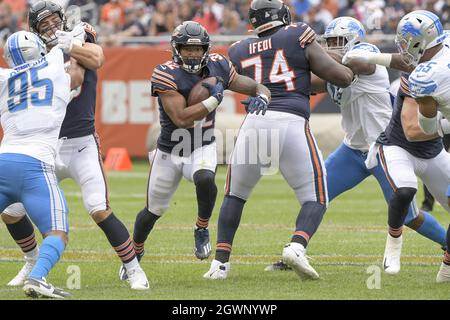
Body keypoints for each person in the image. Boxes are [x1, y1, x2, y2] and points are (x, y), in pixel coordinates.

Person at [265, 16, 448, 272]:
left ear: (354, 40)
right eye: (327, 42)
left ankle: (447, 244)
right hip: (352, 150)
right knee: (316, 196)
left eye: (337, 41)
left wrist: (313, 54)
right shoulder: (334, 67)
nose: (331, 47)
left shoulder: (365, 55)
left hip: (384, 148)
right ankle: (295, 249)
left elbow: (358, 63)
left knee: (408, 216)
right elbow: (307, 83)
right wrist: (267, 89)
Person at [1, 0, 149, 290]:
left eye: (55, 21)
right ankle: (32, 260)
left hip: (80, 140)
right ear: (35, 32)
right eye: (44, 26)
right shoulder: (38, 55)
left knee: (98, 208)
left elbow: (96, 59)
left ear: (64, 19)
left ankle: (133, 268)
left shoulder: (78, 35)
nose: (52, 28)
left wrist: (69, 45)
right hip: (45, 149)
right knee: (12, 211)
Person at [203, 0, 354, 281]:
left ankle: (219, 265)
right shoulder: (296, 33)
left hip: (255, 122)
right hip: (291, 122)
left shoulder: (238, 49)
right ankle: (297, 245)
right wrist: (351, 68)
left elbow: (277, 78)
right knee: (317, 197)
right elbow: (339, 77)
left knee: (235, 195)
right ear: (282, 14)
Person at [121, 20, 271, 280]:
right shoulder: (164, 73)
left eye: (198, 49)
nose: (193, 54)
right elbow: (181, 119)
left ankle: (201, 227)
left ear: (205, 49)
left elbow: (253, 85)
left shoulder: (218, 65)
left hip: (202, 145)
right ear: (176, 49)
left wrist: (263, 95)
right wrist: (215, 98)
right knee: (152, 212)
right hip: (170, 150)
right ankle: (135, 251)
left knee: (205, 178)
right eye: (187, 49)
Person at [344, 10, 450, 277]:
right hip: (399, 144)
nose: (402, 45)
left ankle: (447, 268)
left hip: (434, 149)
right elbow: (416, 131)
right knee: (404, 190)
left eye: (406, 40)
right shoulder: (428, 65)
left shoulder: (432, 72)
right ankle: (393, 242)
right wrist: (370, 57)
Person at [0, 30, 84, 298]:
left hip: (4, 160)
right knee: (58, 233)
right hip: (35, 164)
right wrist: (74, 40)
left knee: (13, 214)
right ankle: (37, 277)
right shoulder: (56, 64)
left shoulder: (4, 78)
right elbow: (80, 71)